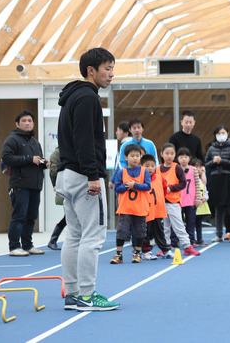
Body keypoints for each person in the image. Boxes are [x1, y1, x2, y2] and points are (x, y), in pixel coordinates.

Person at [56, 47, 118, 311]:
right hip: (84, 177)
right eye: (107, 68)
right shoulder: (87, 98)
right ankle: (86, 295)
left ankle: (72, 294)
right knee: (93, 237)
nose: (111, 75)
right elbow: (84, 140)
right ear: (91, 70)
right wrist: (94, 176)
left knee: (74, 235)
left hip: (67, 175)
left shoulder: (72, 96)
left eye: (113, 69)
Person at [1, 109, 50, 257]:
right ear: (17, 124)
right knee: (19, 216)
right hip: (20, 185)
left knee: (31, 217)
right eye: (24, 121)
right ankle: (14, 246)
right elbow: (6, 158)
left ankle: (28, 245)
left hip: (35, 185)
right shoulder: (12, 139)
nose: (27, 123)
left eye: (30, 121)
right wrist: (29, 159)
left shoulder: (35, 142)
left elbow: (36, 160)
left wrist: (44, 162)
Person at [110, 144, 151, 264]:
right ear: (126, 157)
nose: (135, 158)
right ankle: (119, 254)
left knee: (140, 231)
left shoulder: (144, 172)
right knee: (122, 230)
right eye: (132, 156)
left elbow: (147, 186)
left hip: (140, 208)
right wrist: (126, 186)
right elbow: (117, 188)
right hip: (125, 208)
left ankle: (137, 253)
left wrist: (135, 185)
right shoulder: (121, 172)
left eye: (137, 156)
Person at [158, 143, 201, 256]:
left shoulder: (177, 168)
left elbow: (183, 184)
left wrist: (170, 188)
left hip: (173, 202)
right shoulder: (158, 169)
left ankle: (187, 246)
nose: (169, 156)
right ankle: (165, 248)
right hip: (161, 203)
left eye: (172, 154)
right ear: (162, 154)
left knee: (178, 225)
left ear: (175, 155)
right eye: (167, 153)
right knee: (164, 227)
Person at [141, 154, 172, 259]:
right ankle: (146, 251)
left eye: (152, 166)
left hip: (158, 210)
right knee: (145, 232)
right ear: (142, 166)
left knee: (159, 231)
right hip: (145, 211)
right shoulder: (140, 179)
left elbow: (164, 191)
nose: (150, 168)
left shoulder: (160, 178)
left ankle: (165, 250)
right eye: (147, 166)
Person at [178, 148, 201, 245]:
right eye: (181, 157)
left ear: (189, 158)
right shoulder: (176, 169)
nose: (183, 159)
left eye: (186, 157)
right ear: (177, 158)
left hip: (191, 201)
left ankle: (191, 240)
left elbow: (197, 184)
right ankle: (175, 241)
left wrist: (198, 198)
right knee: (178, 223)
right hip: (179, 201)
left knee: (191, 222)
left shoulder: (193, 169)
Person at [48, 147, 66, 250]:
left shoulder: (73, 149)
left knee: (71, 217)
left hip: (73, 188)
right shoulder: (57, 152)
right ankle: (52, 240)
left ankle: (53, 240)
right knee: (69, 217)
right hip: (64, 188)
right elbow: (53, 170)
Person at [191, 158, 210, 246]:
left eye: (199, 167)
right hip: (192, 205)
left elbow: (206, 192)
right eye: (195, 167)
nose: (197, 169)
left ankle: (199, 238)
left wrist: (204, 198)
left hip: (201, 206)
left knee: (199, 223)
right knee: (191, 223)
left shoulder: (202, 180)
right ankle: (191, 239)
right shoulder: (190, 181)